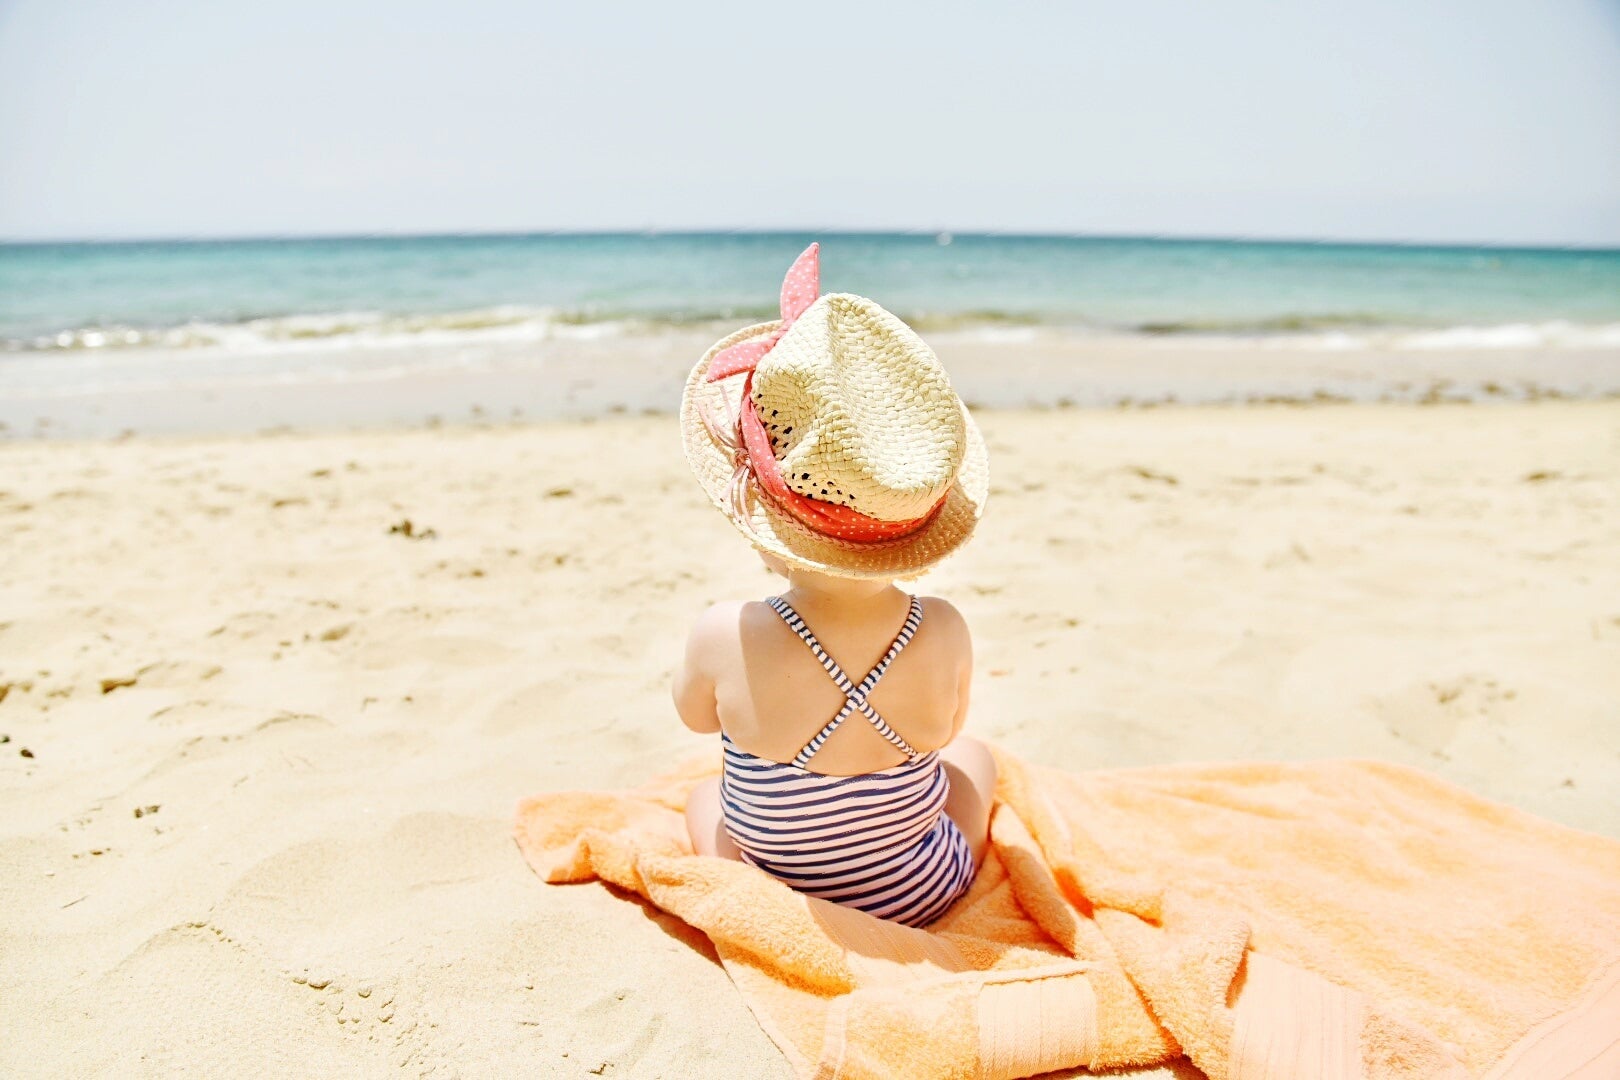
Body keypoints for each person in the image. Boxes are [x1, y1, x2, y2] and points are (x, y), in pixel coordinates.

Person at [671, 243, 996, 928]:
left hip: (775, 883)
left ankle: (750, 895)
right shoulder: (942, 628)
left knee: (705, 800)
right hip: (916, 894)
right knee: (975, 760)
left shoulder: (724, 634)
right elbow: (951, 728)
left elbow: (696, 716)